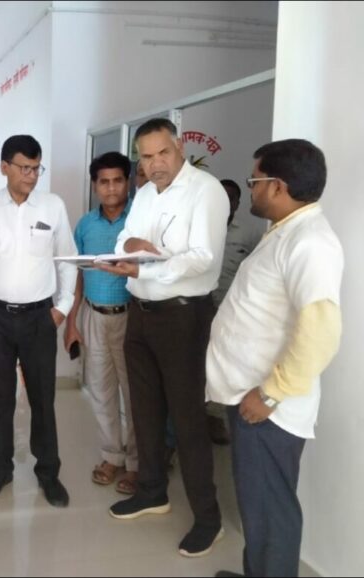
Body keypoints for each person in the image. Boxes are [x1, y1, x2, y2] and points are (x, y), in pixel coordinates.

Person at [208, 140, 343, 578]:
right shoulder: (286, 232)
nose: (250, 188)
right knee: (258, 506)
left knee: (271, 511)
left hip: (268, 407)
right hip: (253, 398)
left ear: (278, 186)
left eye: (254, 180)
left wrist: (270, 393)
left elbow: (321, 331)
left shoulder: (310, 243)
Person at [96, 118, 229, 557]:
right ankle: (152, 491)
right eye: (146, 157)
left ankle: (208, 519)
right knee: (145, 410)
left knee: (187, 421)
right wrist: (134, 247)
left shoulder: (205, 190)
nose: (155, 164)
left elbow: (203, 258)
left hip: (182, 317)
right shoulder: (146, 194)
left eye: (162, 153)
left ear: (179, 147)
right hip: (141, 313)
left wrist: (148, 264)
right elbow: (123, 240)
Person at [0, 134, 78, 508]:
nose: (31, 175)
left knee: (43, 398)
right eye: (24, 168)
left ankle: (48, 473)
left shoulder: (52, 205)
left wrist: (62, 307)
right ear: (4, 167)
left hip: (39, 317)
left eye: (36, 168)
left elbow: (67, 259)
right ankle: (1, 470)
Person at [64, 151, 138, 494]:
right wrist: (72, 321)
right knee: (101, 391)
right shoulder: (85, 225)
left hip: (132, 318)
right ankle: (111, 456)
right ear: (95, 185)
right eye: (104, 182)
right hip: (94, 316)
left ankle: (136, 463)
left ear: (128, 182)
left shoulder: (139, 221)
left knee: (135, 394)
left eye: (117, 180)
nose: (111, 188)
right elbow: (78, 275)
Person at [206, 179, 261, 446]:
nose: (227, 202)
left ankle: (215, 417)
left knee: (221, 365)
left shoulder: (249, 233)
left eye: (232, 198)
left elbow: (256, 269)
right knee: (194, 363)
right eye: (222, 196)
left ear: (238, 203)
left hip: (229, 311)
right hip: (197, 306)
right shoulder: (201, 226)